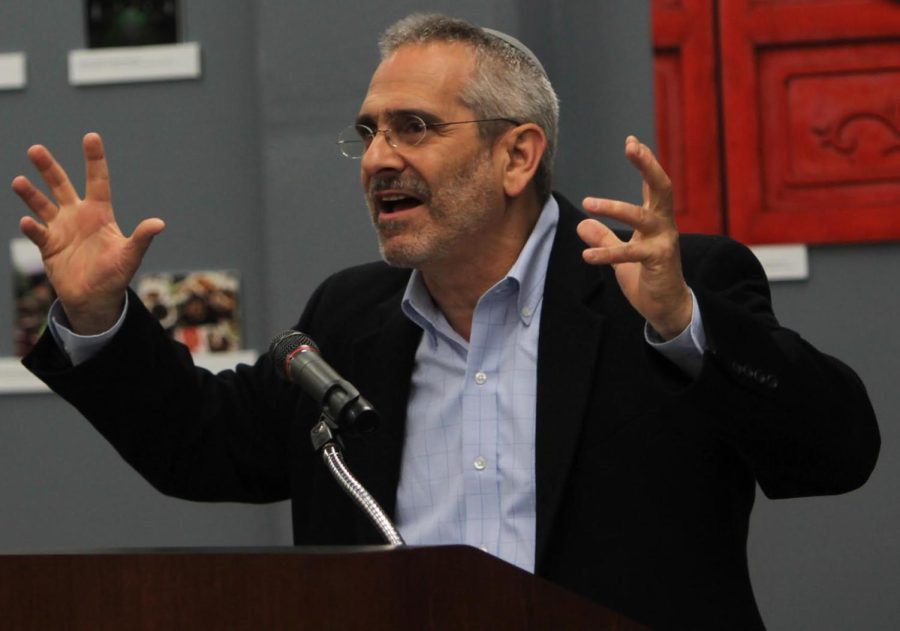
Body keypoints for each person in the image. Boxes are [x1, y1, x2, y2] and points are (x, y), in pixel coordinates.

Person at [11, 13, 879, 631]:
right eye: (369, 132)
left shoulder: (662, 286)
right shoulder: (348, 319)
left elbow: (836, 451)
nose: (379, 157)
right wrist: (96, 315)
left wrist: (685, 324)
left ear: (517, 155)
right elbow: (201, 443)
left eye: (414, 128)